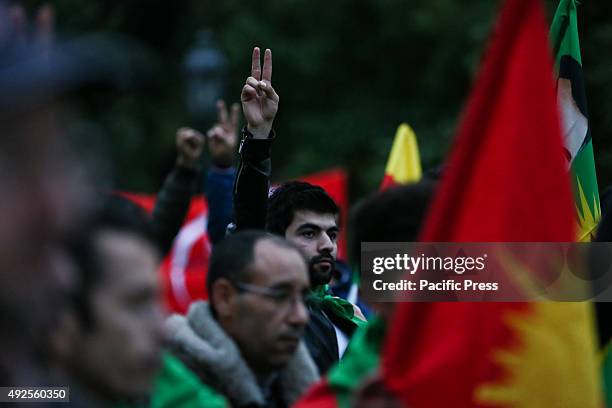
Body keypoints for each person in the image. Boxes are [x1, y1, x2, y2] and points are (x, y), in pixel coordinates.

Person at [231, 46, 364, 374]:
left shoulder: (349, 318)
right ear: (273, 242)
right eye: (309, 232)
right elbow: (249, 220)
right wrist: (258, 137)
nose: (327, 245)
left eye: (332, 233)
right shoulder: (266, 310)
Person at [166, 230, 318, 408]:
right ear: (225, 298)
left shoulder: (309, 390)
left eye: (303, 298)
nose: (301, 317)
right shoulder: (163, 389)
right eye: (280, 296)